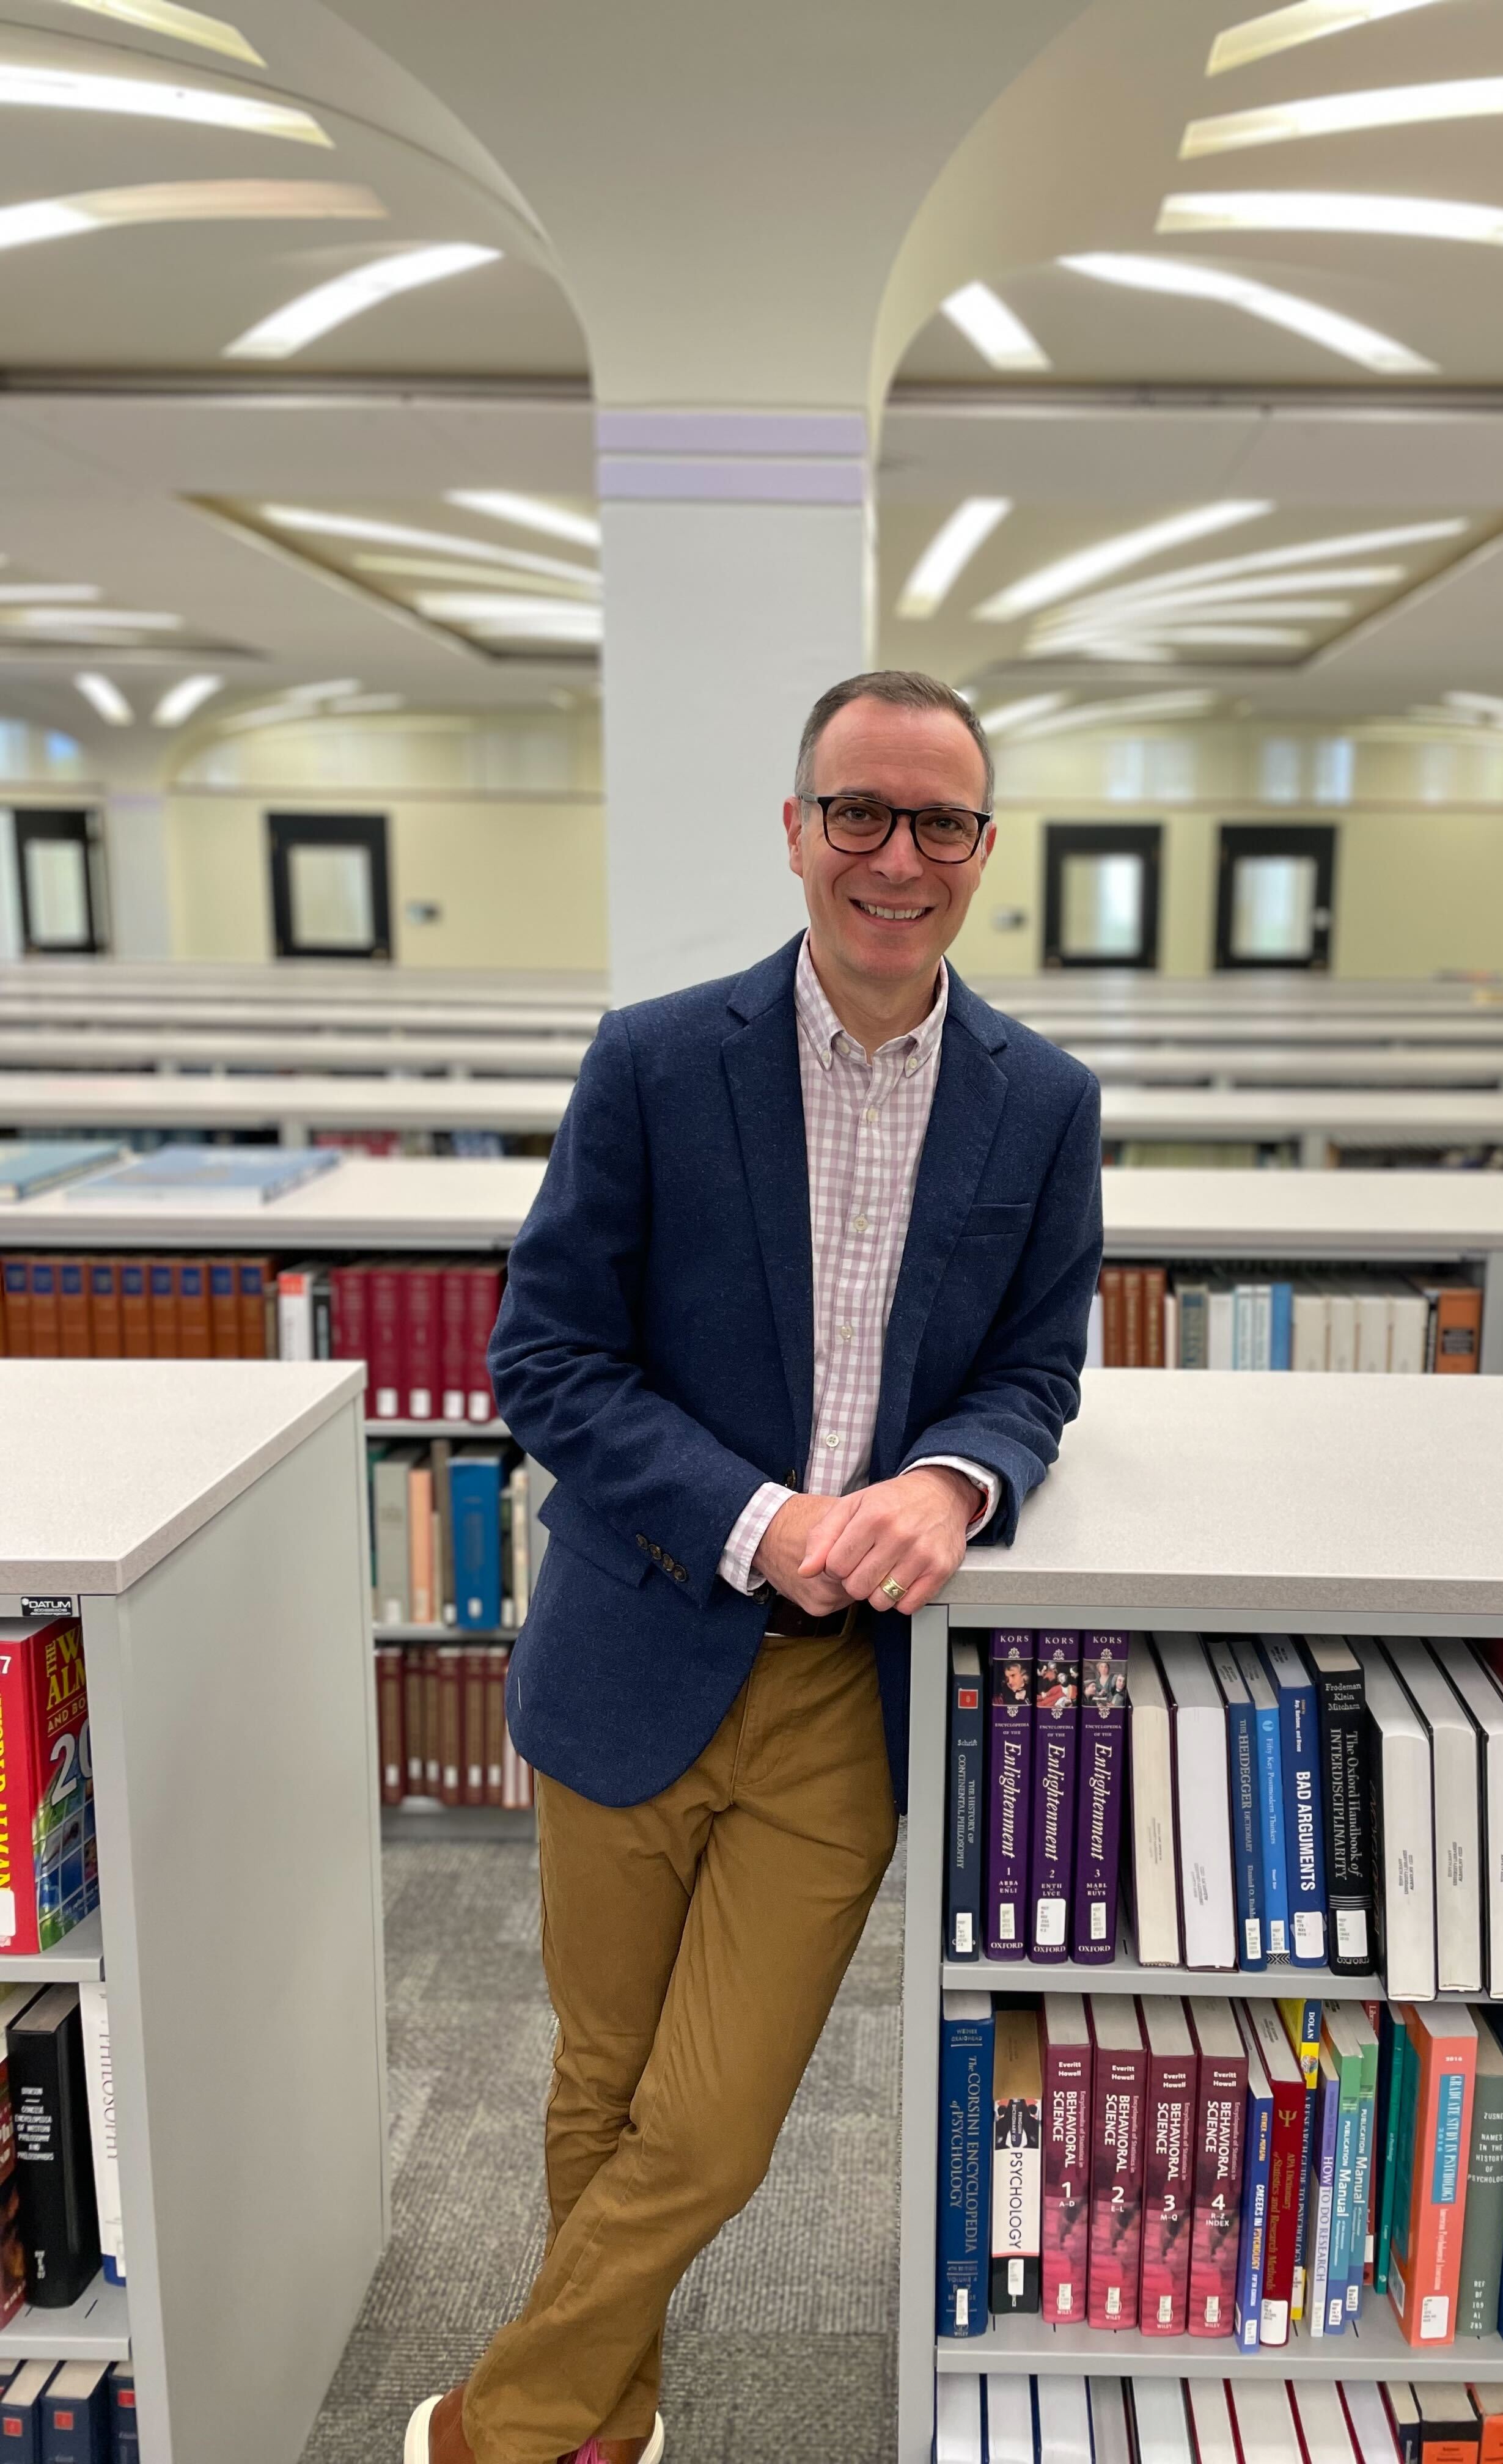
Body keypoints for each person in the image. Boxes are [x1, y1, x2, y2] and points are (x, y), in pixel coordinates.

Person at [407, 669, 1102, 2464]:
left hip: (842, 1697)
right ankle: (604, 2428)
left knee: (711, 2127)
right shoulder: (654, 1060)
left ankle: (495, 2428)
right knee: (600, 2080)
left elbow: (1036, 1370)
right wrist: (757, 1518)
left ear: (983, 849)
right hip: (636, 1634)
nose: (896, 855)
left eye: (938, 820)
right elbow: (545, 1360)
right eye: (857, 811)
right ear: (796, 830)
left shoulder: (1042, 1103)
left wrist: (953, 1482)